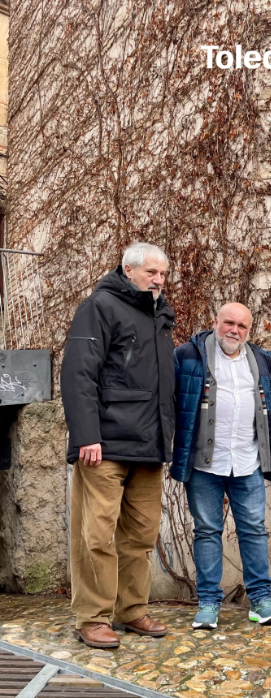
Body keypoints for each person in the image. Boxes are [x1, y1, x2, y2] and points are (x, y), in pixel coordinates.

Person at [61, 242, 175, 649]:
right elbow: (78, 373)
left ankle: (132, 610)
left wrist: (166, 441)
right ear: (129, 270)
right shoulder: (100, 306)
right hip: (105, 445)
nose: (159, 280)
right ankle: (91, 617)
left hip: (148, 448)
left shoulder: (160, 315)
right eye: (151, 273)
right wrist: (86, 435)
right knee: (97, 535)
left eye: (163, 274)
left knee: (141, 536)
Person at [171, 302, 271, 630]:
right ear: (215, 322)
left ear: (250, 330)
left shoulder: (260, 359)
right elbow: (173, 403)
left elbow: (267, 409)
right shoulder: (188, 356)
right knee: (206, 531)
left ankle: (261, 601)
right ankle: (208, 603)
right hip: (205, 463)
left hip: (247, 461)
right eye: (229, 323)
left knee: (253, 531)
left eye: (242, 326)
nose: (234, 330)